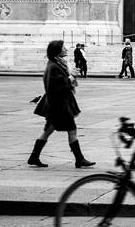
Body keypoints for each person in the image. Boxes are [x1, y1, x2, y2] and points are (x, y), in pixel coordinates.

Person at [28, 40, 94, 168]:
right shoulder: (53, 66)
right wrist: (71, 77)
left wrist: (71, 77)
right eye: (63, 47)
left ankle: (34, 157)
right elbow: (58, 85)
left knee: (47, 131)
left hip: (57, 105)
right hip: (60, 106)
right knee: (72, 130)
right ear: (57, 50)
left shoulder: (57, 64)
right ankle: (79, 159)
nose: (66, 49)